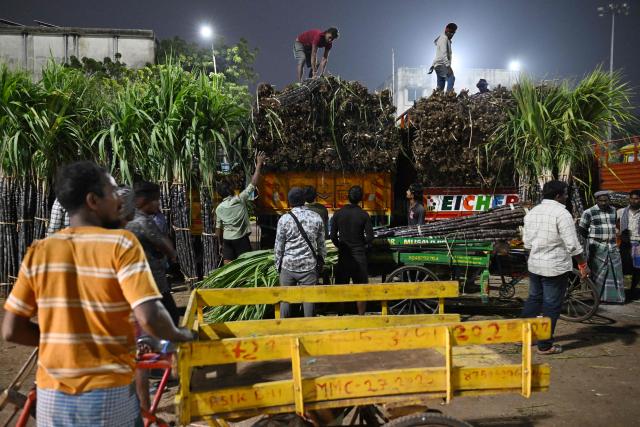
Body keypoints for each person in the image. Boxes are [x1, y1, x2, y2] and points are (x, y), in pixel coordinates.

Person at [1, 161, 194, 426]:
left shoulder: (40, 251)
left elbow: (11, 330)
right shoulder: (121, 245)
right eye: (113, 192)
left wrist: (64, 342)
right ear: (93, 200)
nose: (120, 200)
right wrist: (180, 334)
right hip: (108, 393)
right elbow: (149, 316)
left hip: (51, 397)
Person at [521, 180, 589, 355]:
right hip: (554, 267)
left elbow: (527, 243)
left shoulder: (532, 212)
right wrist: (582, 264)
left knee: (534, 300)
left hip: (535, 264)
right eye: (565, 194)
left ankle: (525, 338)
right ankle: (545, 345)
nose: (566, 197)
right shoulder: (562, 213)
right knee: (551, 305)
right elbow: (573, 245)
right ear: (558, 196)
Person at [126, 181, 180, 326]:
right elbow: (168, 248)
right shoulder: (143, 222)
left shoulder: (125, 218)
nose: (158, 204)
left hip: (133, 281)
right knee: (170, 317)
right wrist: (172, 254)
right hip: (153, 281)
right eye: (156, 200)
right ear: (143, 201)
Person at [274, 187, 326, 318]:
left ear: (290, 202)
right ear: (304, 200)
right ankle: (308, 328)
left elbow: (279, 246)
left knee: (286, 299)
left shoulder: (284, 219)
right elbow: (321, 244)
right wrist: (321, 260)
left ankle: (284, 326)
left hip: (288, 266)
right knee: (308, 299)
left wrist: (278, 265)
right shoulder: (316, 217)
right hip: (309, 266)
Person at [215, 152, 266, 263]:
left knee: (228, 267)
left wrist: (219, 244)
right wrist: (258, 164)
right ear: (231, 190)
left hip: (227, 240)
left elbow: (218, 229)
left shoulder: (218, 208)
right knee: (245, 264)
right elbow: (253, 183)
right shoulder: (240, 199)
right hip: (241, 239)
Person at [331, 185, 374, 315]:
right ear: (361, 199)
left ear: (347, 197)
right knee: (360, 287)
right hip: (359, 255)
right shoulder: (364, 215)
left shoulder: (338, 214)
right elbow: (370, 237)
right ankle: (361, 316)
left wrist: (340, 245)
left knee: (341, 286)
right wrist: (361, 244)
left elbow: (332, 236)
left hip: (344, 255)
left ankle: (340, 314)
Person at [579, 190, 625, 303]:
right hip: (597, 247)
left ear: (609, 200)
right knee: (598, 273)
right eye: (601, 201)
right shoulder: (588, 212)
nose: (604, 203)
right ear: (596, 200)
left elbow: (613, 225)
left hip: (612, 246)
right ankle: (597, 297)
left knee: (615, 271)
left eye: (606, 200)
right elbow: (582, 229)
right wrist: (592, 239)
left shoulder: (613, 210)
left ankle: (614, 298)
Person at [617, 189, 640, 297]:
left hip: (639, 244)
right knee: (625, 268)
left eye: (636, 198)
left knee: (638, 268)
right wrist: (618, 232)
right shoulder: (621, 211)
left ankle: (634, 291)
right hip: (626, 244)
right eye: (631, 198)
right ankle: (625, 292)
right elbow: (610, 222)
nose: (633, 201)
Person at [432, 23, 457, 92]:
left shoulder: (444, 38)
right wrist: (448, 67)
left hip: (438, 65)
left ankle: (438, 99)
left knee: (441, 85)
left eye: (453, 33)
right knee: (451, 78)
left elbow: (436, 43)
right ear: (446, 30)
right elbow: (443, 54)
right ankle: (448, 96)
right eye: (451, 32)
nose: (452, 35)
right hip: (442, 64)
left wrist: (432, 65)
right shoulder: (444, 38)